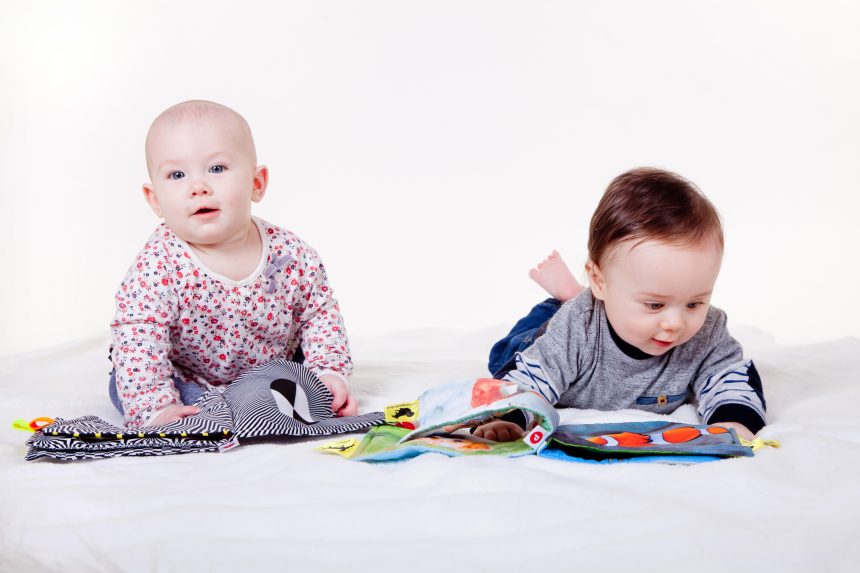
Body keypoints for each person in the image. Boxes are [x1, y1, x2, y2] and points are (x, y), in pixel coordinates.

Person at [110, 100, 355, 428]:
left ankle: (273, 398)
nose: (199, 187)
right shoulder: (158, 266)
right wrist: (154, 405)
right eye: (177, 175)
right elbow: (139, 335)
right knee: (146, 388)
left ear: (257, 183)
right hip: (184, 375)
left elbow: (319, 315)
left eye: (217, 168)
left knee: (301, 381)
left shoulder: (292, 256)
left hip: (270, 364)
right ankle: (199, 410)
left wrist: (329, 372)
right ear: (155, 200)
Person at [476, 168, 766, 442]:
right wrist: (511, 417)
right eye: (655, 305)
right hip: (546, 330)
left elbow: (731, 380)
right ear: (599, 282)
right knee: (507, 358)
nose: (675, 323)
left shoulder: (707, 333)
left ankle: (578, 293)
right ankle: (569, 297)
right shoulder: (577, 328)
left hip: (602, 304)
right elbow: (533, 378)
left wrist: (733, 422)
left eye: (695, 303)